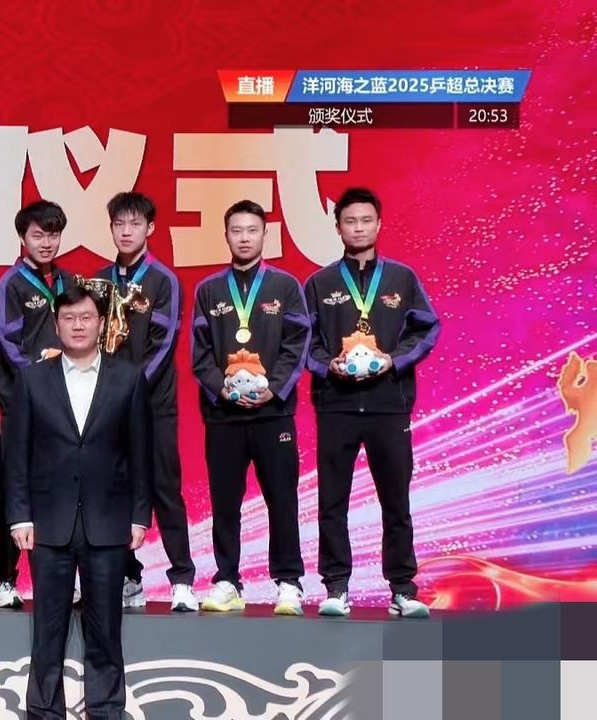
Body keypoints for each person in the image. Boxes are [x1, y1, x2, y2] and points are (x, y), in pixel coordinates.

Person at [7, 285, 153, 719]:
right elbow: (17, 455)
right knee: (47, 633)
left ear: (101, 323)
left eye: (86, 317)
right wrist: (19, 516)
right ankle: (44, 712)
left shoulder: (128, 377)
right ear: (56, 326)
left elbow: (141, 453)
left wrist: (140, 516)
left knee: (105, 631)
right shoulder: (32, 379)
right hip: (48, 523)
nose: (77, 326)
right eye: (68, 318)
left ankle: (105, 710)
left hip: (108, 522)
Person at [305, 187, 441, 619]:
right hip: (337, 405)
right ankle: (336, 587)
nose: (359, 228)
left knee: (395, 501)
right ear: (338, 227)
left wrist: (393, 360)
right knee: (332, 502)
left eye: (366, 221)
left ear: (379, 225)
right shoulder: (320, 283)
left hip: (389, 405)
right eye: (350, 221)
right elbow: (303, 341)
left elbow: (428, 328)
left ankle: (402, 588)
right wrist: (329, 366)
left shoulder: (402, 278)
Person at [190, 200, 310, 615]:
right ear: (226, 235)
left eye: (252, 230)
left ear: (264, 235)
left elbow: (298, 343)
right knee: (224, 502)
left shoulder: (285, 286)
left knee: (282, 498)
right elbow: (200, 355)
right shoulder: (208, 290)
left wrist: (274, 389)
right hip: (223, 415)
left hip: (273, 414)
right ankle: (227, 579)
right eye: (236, 230)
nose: (244, 238)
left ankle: (289, 581)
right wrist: (221, 390)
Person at [94, 191, 196, 611]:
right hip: (106, 410)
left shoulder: (162, 280)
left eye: (135, 224)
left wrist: (129, 389)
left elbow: (163, 343)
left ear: (150, 228)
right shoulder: (99, 281)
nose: (126, 231)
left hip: (153, 405)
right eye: (119, 224)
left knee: (164, 489)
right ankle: (128, 576)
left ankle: (183, 579)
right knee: (112, 491)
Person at [0, 199, 76, 609]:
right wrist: (39, 377)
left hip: (67, 406)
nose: (46, 243)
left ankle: (62, 576)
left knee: (63, 487)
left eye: (53, 235)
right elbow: (6, 341)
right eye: (38, 235)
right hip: (20, 403)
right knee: (14, 488)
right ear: (23, 237)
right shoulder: (11, 284)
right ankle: (5, 579)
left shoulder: (69, 281)